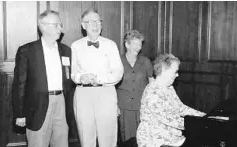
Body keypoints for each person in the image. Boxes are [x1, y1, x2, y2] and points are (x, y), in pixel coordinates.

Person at [12, 10, 74, 147]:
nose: (61, 29)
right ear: (43, 26)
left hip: (62, 104)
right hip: (37, 105)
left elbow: (69, 78)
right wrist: (20, 113)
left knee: (62, 143)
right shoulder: (27, 51)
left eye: (61, 24)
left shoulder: (66, 50)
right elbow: (19, 84)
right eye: (56, 25)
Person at [71, 9, 124, 147]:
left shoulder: (111, 45)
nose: (96, 25)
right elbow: (72, 73)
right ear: (83, 26)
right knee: (85, 135)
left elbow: (118, 73)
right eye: (91, 22)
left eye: (98, 21)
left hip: (106, 92)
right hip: (83, 94)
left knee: (108, 136)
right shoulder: (75, 46)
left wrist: (98, 78)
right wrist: (81, 77)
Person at [136, 53, 206, 147]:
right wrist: (201, 123)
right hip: (154, 140)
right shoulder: (153, 92)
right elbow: (169, 118)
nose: (177, 75)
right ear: (165, 70)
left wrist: (204, 116)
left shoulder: (169, 88)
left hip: (169, 136)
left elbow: (181, 108)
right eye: (175, 71)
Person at [116, 30, 153, 143]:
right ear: (127, 45)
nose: (138, 47)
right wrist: (114, 105)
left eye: (140, 44)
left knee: (144, 139)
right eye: (135, 44)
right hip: (124, 108)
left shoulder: (146, 62)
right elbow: (111, 86)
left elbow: (152, 84)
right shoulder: (117, 61)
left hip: (142, 107)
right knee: (127, 140)